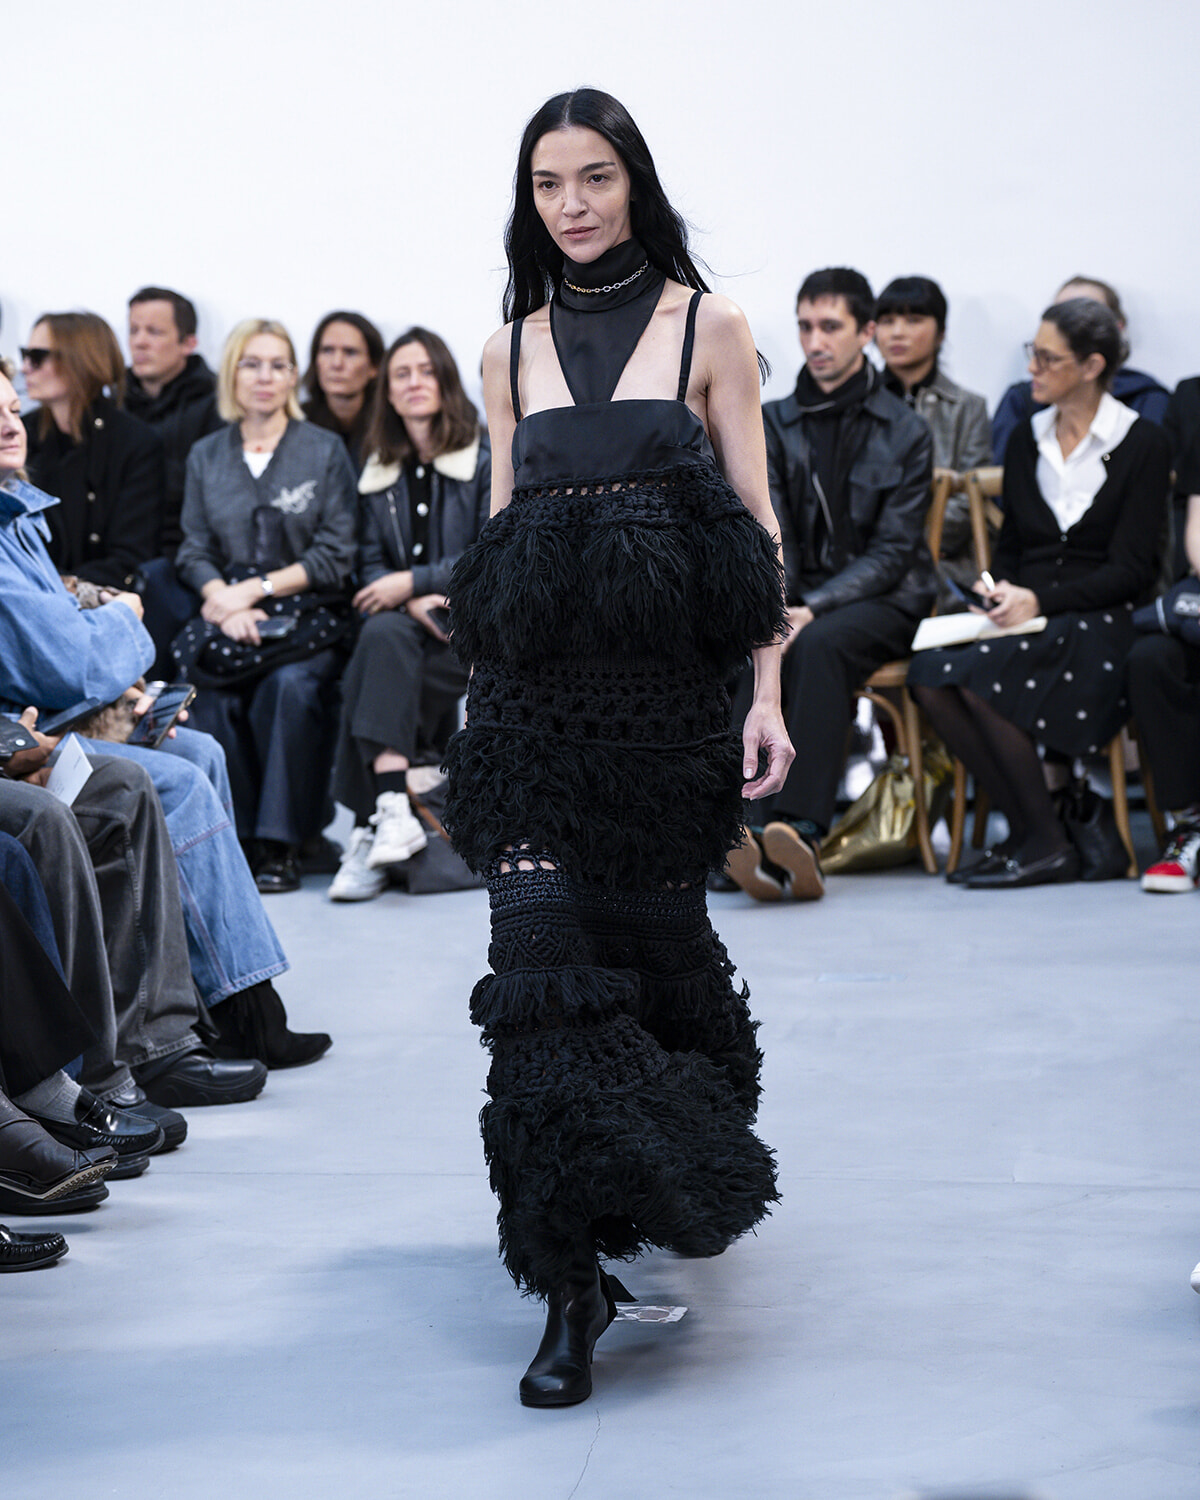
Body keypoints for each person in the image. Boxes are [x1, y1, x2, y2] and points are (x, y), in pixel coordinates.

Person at [445, 87, 790, 1408]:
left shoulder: (713, 326)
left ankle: (674, 1154)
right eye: (548, 184)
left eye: (595, 177)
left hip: (666, 719)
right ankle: (569, 1283)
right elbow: (502, 541)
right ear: (529, 200)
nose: (573, 204)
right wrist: (472, 714)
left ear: (634, 183)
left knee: (657, 961)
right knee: (535, 966)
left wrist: (766, 696)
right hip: (533, 717)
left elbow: (755, 531)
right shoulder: (508, 350)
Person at [0, 363, 328, 1071]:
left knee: (200, 751)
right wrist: (123, 621)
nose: (8, 424)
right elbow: (65, 665)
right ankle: (202, 1021)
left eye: (10, 408)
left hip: (63, 715)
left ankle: (230, 998)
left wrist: (126, 687)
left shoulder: (20, 515)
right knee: (176, 782)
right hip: (27, 735)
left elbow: (67, 648)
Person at [909, 298, 1171, 887]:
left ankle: (1045, 842)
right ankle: (1035, 828)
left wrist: (1039, 603)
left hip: (1104, 620)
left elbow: (1134, 570)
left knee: (982, 678)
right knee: (928, 673)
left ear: (1091, 365)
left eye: (1048, 358)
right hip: (1033, 617)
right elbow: (1014, 553)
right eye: (1034, 353)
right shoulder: (1026, 440)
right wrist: (998, 590)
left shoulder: (1144, 443)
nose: (1033, 368)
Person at [727, 267, 934, 902]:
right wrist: (780, 610)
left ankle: (800, 829)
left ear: (865, 332)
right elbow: (769, 528)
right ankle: (735, 832)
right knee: (745, 643)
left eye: (831, 327)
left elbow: (895, 552)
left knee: (820, 646)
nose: (815, 341)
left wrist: (812, 609)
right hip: (796, 599)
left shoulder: (904, 429)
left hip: (883, 601)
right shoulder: (775, 421)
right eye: (805, 326)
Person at [174, 318, 358, 894]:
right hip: (229, 619)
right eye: (252, 364)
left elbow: (336, 552)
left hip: (307, 620)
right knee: (212, 696)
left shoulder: (324, 451)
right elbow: (193, 548)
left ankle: (281, 844)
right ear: (233, 373)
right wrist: (224, 605)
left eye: (279, 365)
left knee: (291, 690)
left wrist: (255, 592)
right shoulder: (207, 455)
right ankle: (236, 842)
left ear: (293, 377)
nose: (265, 376)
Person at [329, 327, 490, 901]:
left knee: (369, 668)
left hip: (469, 639)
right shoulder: (376, 470)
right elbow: (366, 567)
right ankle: (394, 807)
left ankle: (371, 822)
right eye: (402, 374)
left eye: (426, 371)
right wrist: (408, 596)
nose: (415, 382)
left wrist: (413, 582)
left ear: (445, 382)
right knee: (384, 636)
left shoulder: (486, 459)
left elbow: (491, 551)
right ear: (389, 394)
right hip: (402, 638)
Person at [21, 311, 164, 590]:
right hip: (25, 593)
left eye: (37, 357)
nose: (26, 367)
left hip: (100, 599)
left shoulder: (135, 443)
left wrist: (64, 589)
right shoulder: (20, 434)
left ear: (79, 360)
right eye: (25, 355)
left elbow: (130, 556)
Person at [875, 275, 991, 589]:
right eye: (887, 320)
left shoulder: (969, 408)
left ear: (941, 333)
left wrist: (898, 545)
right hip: (864, 566)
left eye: (913, 320)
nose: (897, 332)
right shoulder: (857, 405)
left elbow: (970, 503)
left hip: (942, 571)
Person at [991, 276, 1169, 464]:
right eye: (1058, 314)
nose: (1033, 368)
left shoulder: (1148, 401)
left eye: (1081, 318)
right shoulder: (1022, 402)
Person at [125, 287, 225, 554]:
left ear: (188, 343)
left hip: (188, 550)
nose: (139, 342)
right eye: (133, 330)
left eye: (154, 332)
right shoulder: (113, 401)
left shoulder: (219, 405)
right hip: (125, 545)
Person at [300, 311, 384, 469]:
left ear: (374, 366)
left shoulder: (390, 426)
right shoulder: (296, 424)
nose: (337, 363)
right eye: (327, 350)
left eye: (350, 352)